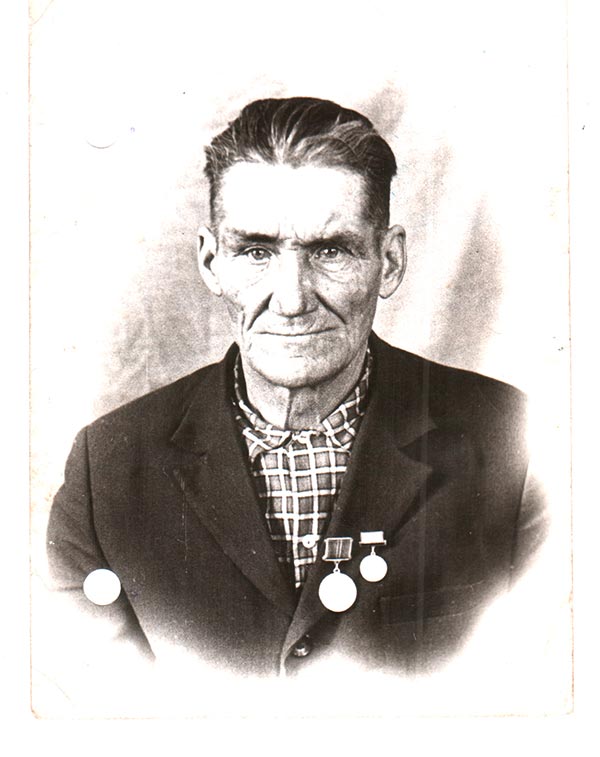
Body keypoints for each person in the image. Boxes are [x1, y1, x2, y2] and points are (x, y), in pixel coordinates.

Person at [46, 97, 547, 680]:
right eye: (256, 251)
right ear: (211, 262)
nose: (291, 299)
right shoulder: (105, 471)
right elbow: (95, 698)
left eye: (330, 251)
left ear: (389, 262)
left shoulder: (518, 444)